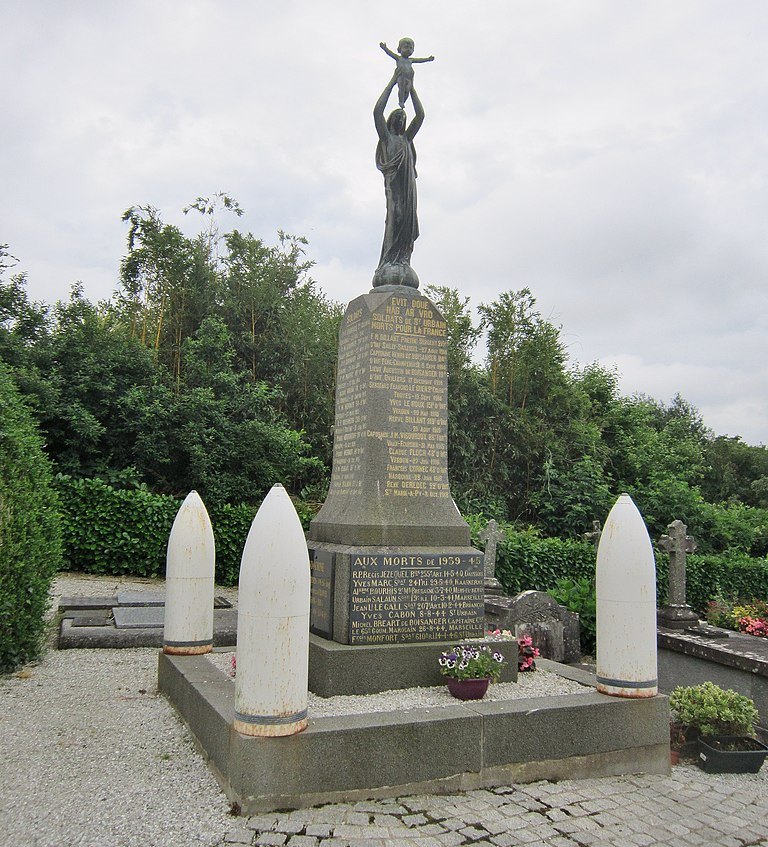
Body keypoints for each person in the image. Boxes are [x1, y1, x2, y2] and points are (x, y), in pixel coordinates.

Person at [372, 74, 424, 288]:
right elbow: (377, 111)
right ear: (392, 121)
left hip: (408, 190)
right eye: (398, 117)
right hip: (394, 190)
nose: (402, 120)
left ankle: (403, 261)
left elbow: (420, 115)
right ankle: (388, 262)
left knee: (408, 223)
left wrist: (410, 89)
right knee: (396, 218)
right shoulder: (387, 138)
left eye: (404, 119)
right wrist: (394, 81)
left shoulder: (406, 139)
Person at [380, 38, 434, 109]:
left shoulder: (410, 60)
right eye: (406, 47)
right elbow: (390, 53)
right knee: (401, 88)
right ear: (400, 49)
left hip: (408, 77)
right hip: (400, 76)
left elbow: (420, 60)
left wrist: (428, 59)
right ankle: (401, 101)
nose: (408, 49)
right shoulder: (399, 58)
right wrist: (385, 48)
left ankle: (403, 101)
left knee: (408, 89)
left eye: (410, 48)